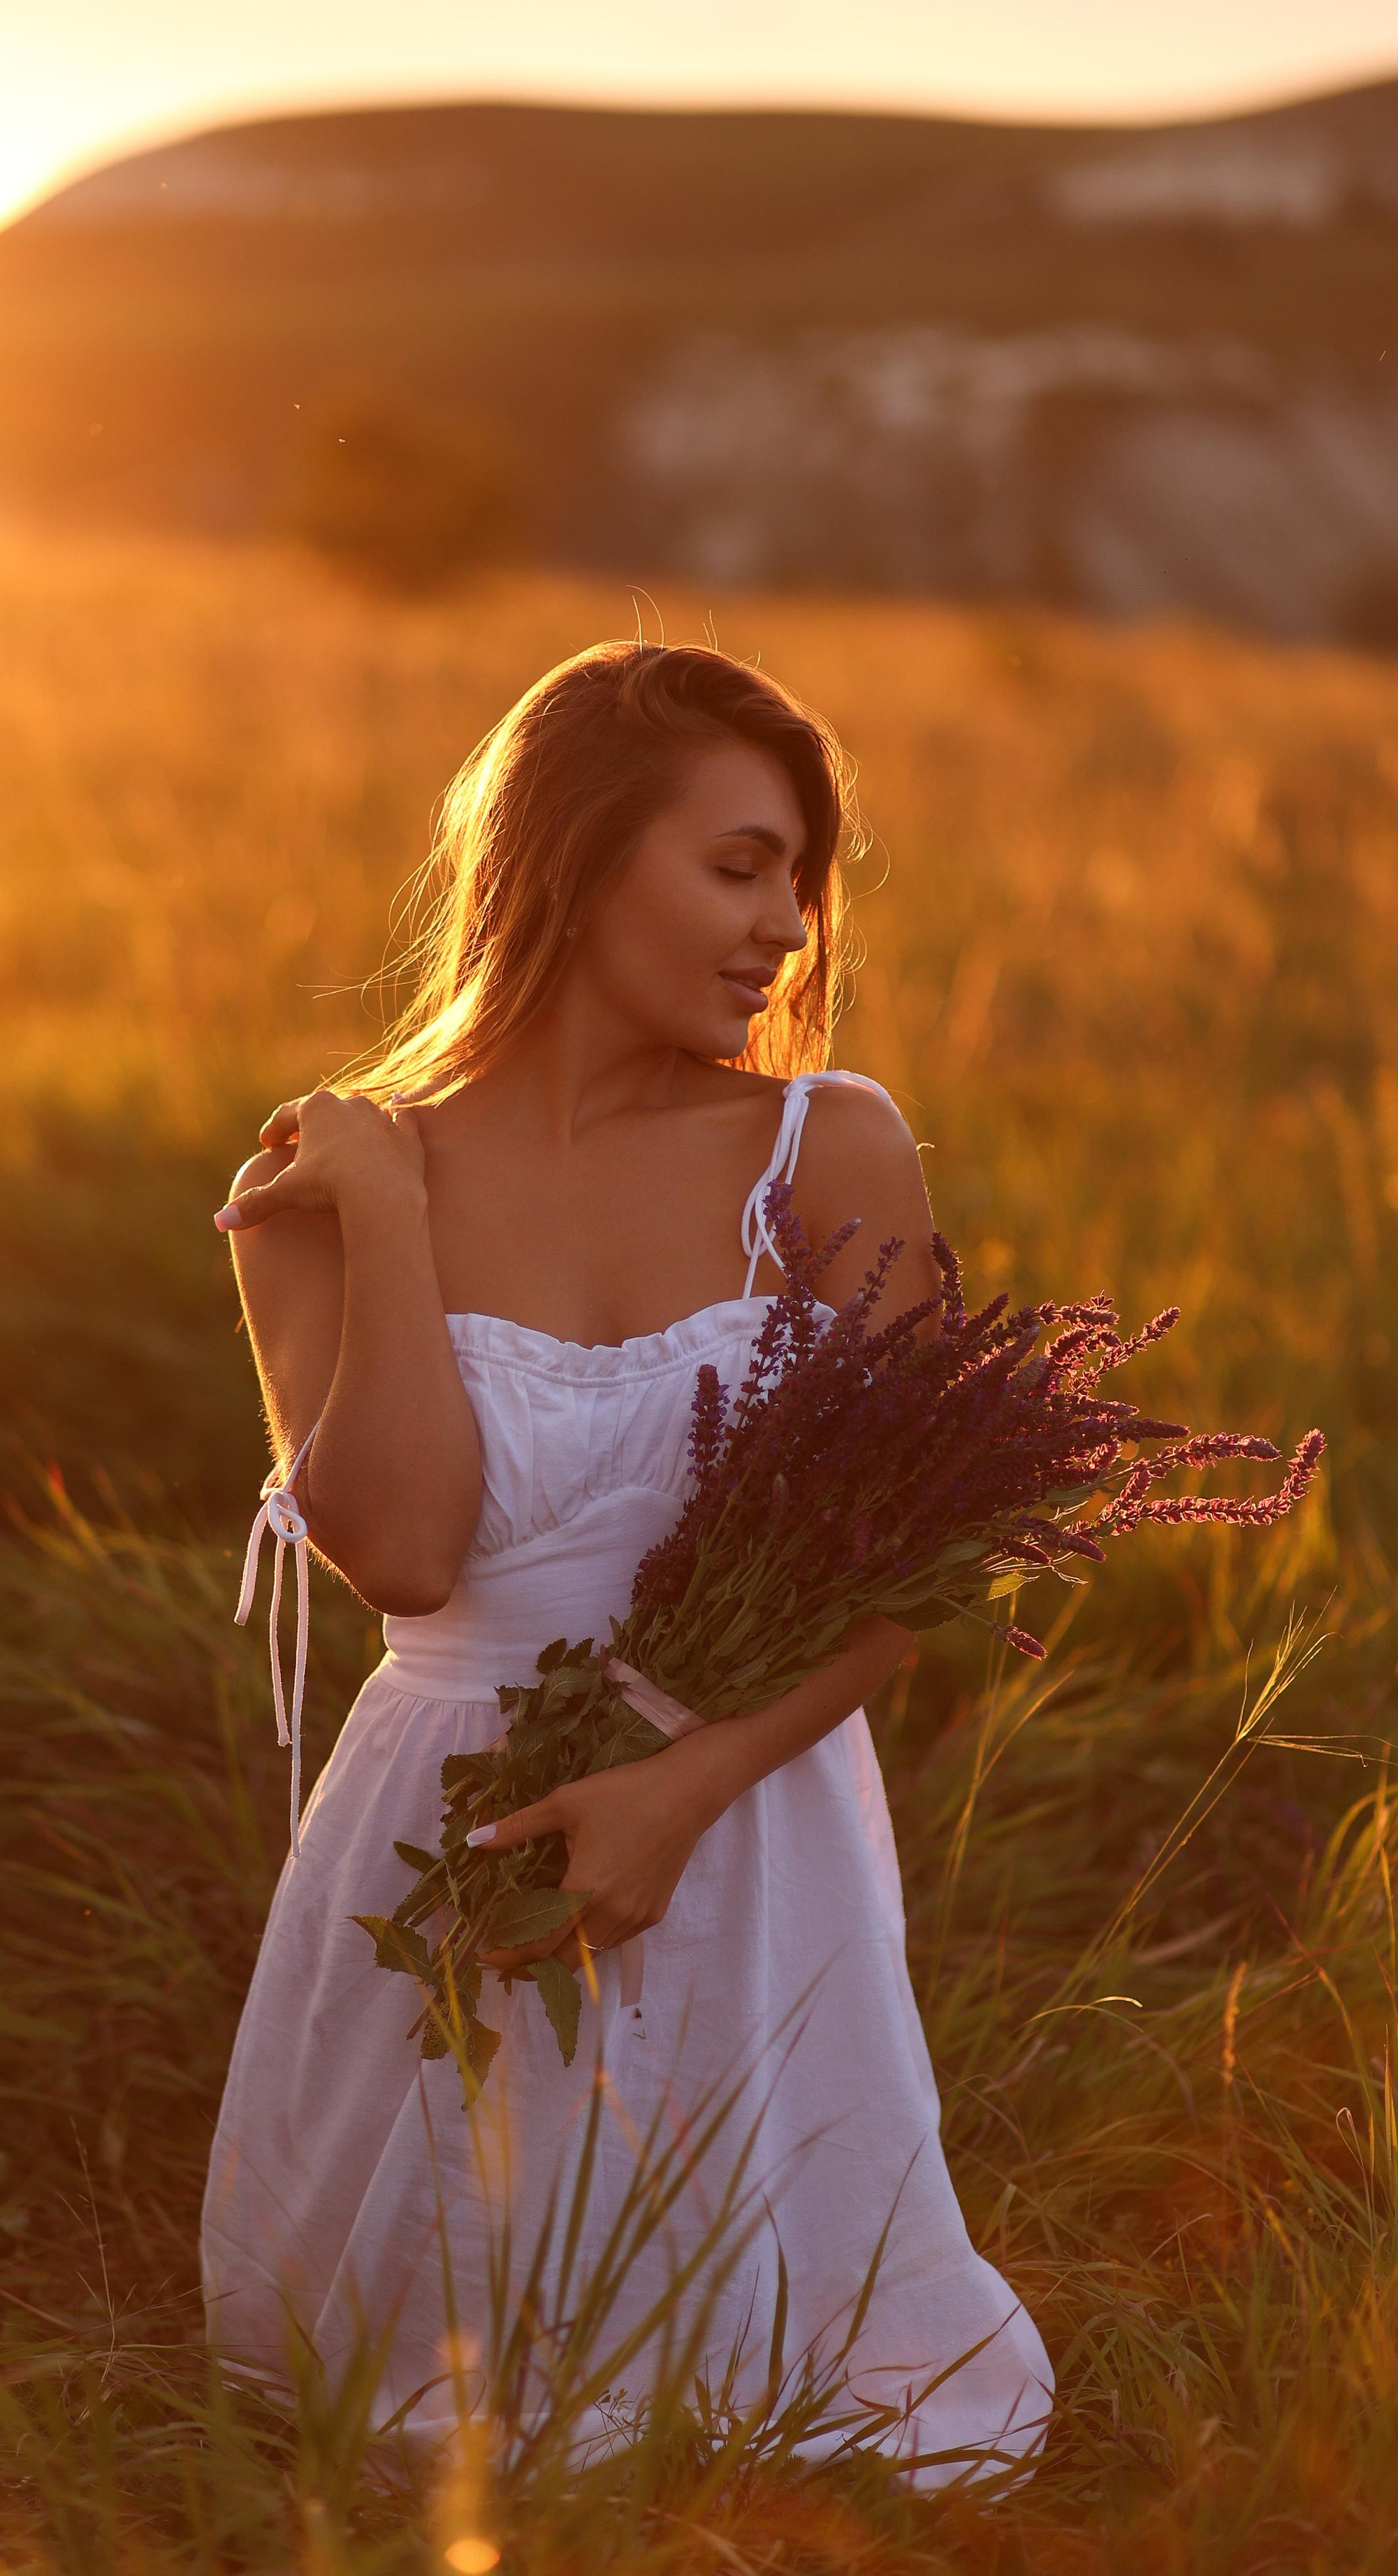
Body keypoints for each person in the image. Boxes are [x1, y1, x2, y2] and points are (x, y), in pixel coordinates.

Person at [201, 641, 1051, 2477]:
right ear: (579, 860)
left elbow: (928, 1558)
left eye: (803, 885)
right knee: (413, 2384)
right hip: (451, 1818)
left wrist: (687, 1782)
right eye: (739, 867)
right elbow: (413, 1554)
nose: (789, 931)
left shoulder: (830, 1146)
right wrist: (393, 1216)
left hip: (751, 1823)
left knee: (749, 2379)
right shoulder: (323, 1185)